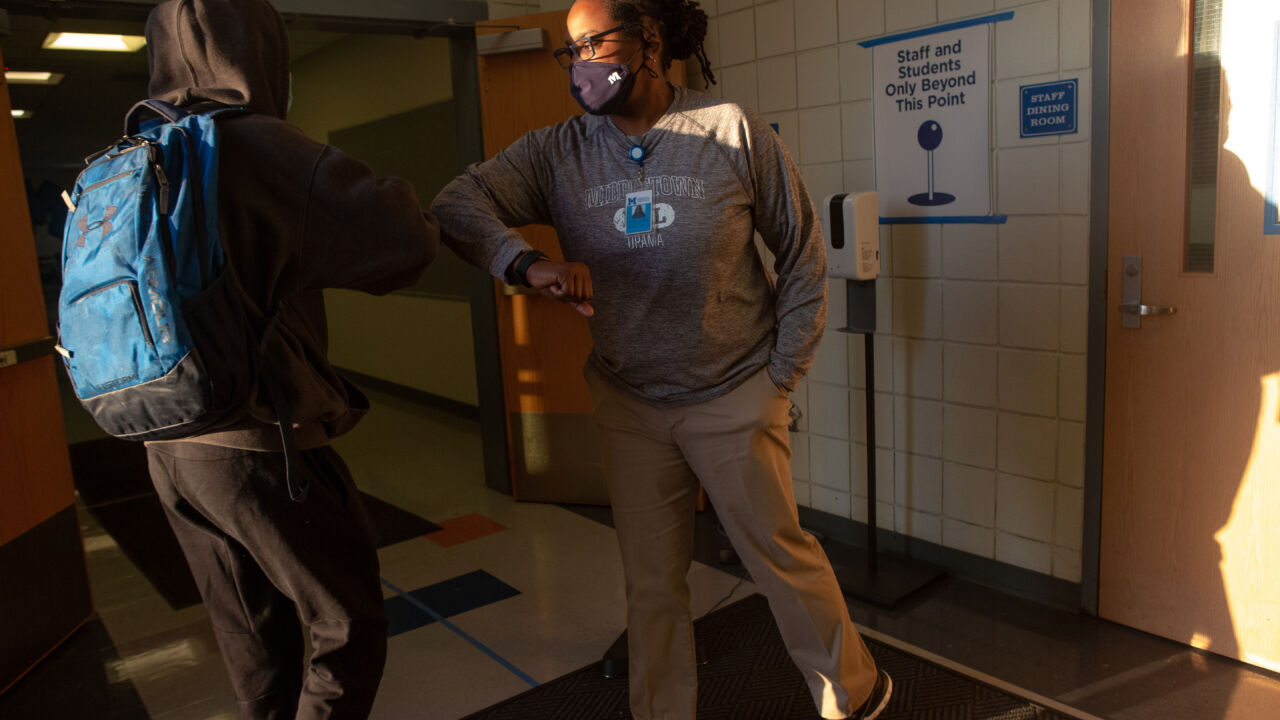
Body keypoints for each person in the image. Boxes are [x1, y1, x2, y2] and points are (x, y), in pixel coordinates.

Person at [430, 0, 891, 717]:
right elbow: (456, 203)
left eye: (594, 44)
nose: (581, 63)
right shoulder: (559, 151)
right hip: (631, 402)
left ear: (650, 42)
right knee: (651, 583)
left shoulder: (730, 131)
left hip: (734, 390)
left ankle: (852, 694)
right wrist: (523, 264)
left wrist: (780, 377)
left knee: (781, 559)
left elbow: (801, 252)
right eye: (570, 51)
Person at [139, 1, 439, 718]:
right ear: (260, 49)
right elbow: (401, 243)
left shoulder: (139, 146)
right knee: (347, 624)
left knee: (251, 634)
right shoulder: (252, 143)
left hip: (168, 442)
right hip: (259, 441)